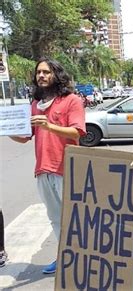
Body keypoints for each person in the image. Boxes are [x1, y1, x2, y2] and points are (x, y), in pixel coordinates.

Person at [9, 57, 86, 274]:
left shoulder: (72, 100)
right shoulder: (34, 104)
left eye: (46, 72)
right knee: (55, 218)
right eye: (38, 72)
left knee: (74, 217)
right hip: (43, 170)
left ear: (57, 75)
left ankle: (84, 258)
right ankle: (65, 257)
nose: (41, 76)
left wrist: (50, 126)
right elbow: (26, 136)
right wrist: (7, 130)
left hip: (67, 169)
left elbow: (77, 132)